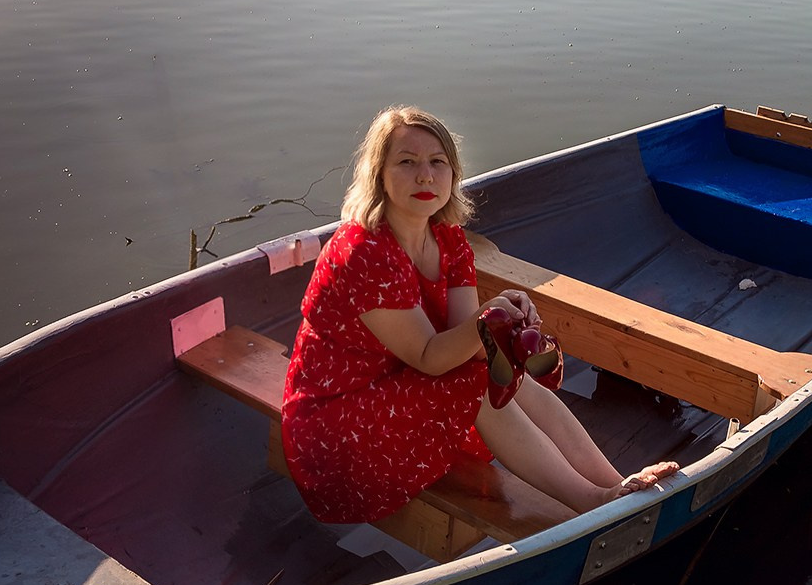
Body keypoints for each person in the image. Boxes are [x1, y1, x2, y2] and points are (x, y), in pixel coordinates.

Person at [281, 106, 678, 526]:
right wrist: (486, 319)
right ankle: (592, 501)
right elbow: (432, 357)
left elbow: (466, 346)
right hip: (337, 428)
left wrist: (504, 316)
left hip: (398, 391)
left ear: (453, 174)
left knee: (489, 367)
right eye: (407, 162)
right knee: (474, 381)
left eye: (438, 162)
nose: (425, 176)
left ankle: (614, 483)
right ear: (378, 174)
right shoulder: (364, 253)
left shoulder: (448, 238)